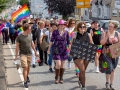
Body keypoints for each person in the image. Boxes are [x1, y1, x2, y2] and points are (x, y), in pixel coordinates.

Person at [14, 23, 38, 88]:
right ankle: (25, 81)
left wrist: (35, 52)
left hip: (29, 54)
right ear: (27, 29)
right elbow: (17, 47)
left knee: (28, 68)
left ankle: (26, 76)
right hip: (22, 54)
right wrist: (16, 56)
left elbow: (32, 44)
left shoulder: (30, 35)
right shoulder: (19, 37)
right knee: (25, 67)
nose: (31, 30)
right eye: (30, 29)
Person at [71, 22, 93, 90]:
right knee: (82, 70)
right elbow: (72, 45)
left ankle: (80, 80)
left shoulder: (88, 35)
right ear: (78, 28)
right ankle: (83, 87)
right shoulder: (75, 34)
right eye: (81, 27)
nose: (83, 28)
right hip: (77, 55)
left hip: (86, 54)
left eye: (84, 27)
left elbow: (91, 44)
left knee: (82, 70)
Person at [47, 20, 70, 84]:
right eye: (60, 24)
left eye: (63, 25)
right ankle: (56, 77)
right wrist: (49, 49)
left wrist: (69, 49)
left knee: (62, 65)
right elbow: (51, 41)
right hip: (56, 49)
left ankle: (61, 78)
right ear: (58, 25)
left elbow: (68, 42)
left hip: (64, 50)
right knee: (58, 64)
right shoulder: (55, 32)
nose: (62, 26)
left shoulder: (66, 32)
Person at [100, 21, 120, 90]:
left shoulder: (117, 34)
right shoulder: (105, 33)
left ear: (114, 28)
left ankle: (111, 84)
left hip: (115, 53)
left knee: (113, 69)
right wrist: (106, 37)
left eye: (111, 26)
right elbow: (102, 43)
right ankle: (107, 83)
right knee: (109, 68)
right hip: (107, 52)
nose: (109, 27)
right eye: (109, 26)